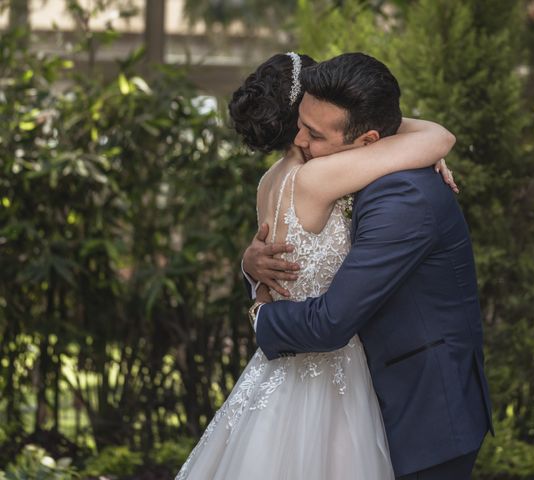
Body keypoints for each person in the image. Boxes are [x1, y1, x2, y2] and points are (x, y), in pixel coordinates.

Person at [175, 52, 457, 480]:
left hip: (275, 366)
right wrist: (411, 145)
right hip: (330, 365)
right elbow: (437, 137)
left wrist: (249, 272)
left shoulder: (269, 181)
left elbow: (273, 269)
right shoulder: (322, 177)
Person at [243, 52, 493, 480]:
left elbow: (332, 321)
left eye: (314, 134)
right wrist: (251, 266)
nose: (299, 141)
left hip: (423, 412)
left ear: (368, 142)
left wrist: (258, 314)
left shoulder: (402, 195)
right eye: (299, 123)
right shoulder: (357, 168)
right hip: (355, 395)